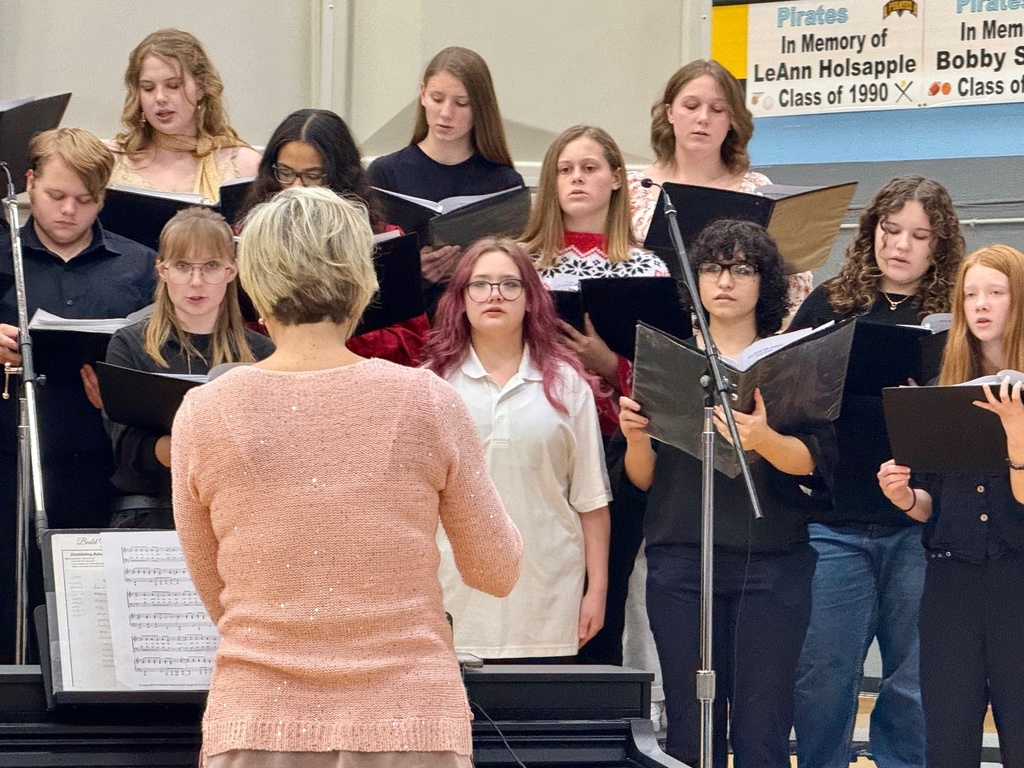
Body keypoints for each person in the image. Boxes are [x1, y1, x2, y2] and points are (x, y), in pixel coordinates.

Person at [172, 187, 522, 766]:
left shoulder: (205, 410)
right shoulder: (426, 401)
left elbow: (217, 593)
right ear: (363, 280)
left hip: (257, 723)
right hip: (410, 722)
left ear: (252, 283)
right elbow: (496, 568)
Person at [619, 220, 833, 767]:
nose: (726, 281)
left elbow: (815, 461)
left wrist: (763, 438)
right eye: (713, 268)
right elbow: (643, 480)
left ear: (766, 283)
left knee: (763, 728)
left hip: (773, 561)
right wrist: (636, 438)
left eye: (743, 269)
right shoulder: (666, 358)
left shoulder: (793, 363)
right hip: (682, 559)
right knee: (690, 728)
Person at [790, 177, 965, 768]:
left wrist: (928, 400)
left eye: (919, 236)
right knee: (823, 671)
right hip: (835, 517)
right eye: (891, 230)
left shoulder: (952, 315)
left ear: (940, 245)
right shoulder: (830, 302)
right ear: (872, 232)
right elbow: (784, 392)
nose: (901, 245)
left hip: (920, 523)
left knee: (913, 678)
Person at [0, 128, 156, 662]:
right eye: (55, 195)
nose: (69, 211)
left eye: (86, 200)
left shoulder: (139, 265)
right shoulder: (4, 256)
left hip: (104, 459)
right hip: (12, 454)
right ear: (29, 183)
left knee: (94, 617)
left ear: (104, 198)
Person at [520, 124, 666, 680]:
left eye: (589, 168)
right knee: (537, 573)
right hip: (540, 442)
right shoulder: (522, 266)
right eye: (565, 169)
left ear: (617, 179)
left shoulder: (650, 269)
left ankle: (598, 703)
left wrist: (610, 364)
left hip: (618, 445)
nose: (577, 179)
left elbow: (667, 383)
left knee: (610, 581)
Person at [422, 238, 611, 661]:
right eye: (480, 284)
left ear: (530, 300)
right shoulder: (430, 384)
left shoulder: (567, 385)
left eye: (510, 284)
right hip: (451, 597)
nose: (494, 295)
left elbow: (591, 500)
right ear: (460, 299)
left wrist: (596, 591)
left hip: (547, 598)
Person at [878, 244, 1024, 768]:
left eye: (995, 292)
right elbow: (931, 505)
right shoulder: (943, 392)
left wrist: (1016, 438)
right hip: (950, 584)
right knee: (948, 739)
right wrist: (904, 496)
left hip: (1016, 580)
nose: (980, 304)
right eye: (970, 295)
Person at [104, 207, 274, 529]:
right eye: (183, 266)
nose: (196, 282)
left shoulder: (262, 351)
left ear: (232, 270)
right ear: (162, 270)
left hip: (238, 513)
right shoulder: (129, 344)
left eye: (211, 266)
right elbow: (127, 452)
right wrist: (205, 444)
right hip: (151, 513)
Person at [241, 108, 430, 366]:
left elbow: (412, 341)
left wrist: (328, 341)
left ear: (340, 178)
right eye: (285, 172)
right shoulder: (250, 236)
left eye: (312, 176)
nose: (297, 187)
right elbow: (238, 329)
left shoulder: (384, 239)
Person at [628, 59, 812, 314]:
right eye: (691, 106)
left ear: (732, 119)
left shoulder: (756, 190)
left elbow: (796, 280)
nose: (703, 118)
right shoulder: (632, 190)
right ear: (670, 112)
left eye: (717, 109)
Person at [367, 46, 524, 287]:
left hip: (478, 304)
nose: (446, 113)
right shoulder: (385, 173)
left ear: (480, 108)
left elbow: (518, 272)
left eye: (461, 103)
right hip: (410, 307)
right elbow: (365, 267)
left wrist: (468, 267)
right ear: (422, 94)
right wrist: (411, 267)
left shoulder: (505, 183)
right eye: (437, 99)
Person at [108, 28, 261, 200]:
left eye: (173, 86)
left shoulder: (244, 166)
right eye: (148, 88)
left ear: (200, 87)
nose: (160, 98)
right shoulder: (110, 161)